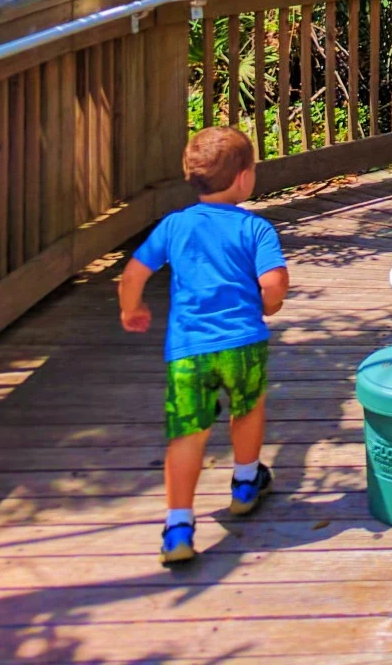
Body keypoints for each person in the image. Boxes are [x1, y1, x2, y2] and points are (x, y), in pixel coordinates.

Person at [119, 127, 289, 566]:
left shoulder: (174, 225)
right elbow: (273, 285)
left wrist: (131, 310)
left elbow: (133, 276)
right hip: (242, 343)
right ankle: (246, 481)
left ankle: (178, 525)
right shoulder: (256, 228)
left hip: (187, 350)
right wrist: (268, 305)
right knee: (247, 407)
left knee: (186, 434)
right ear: (244, 179)